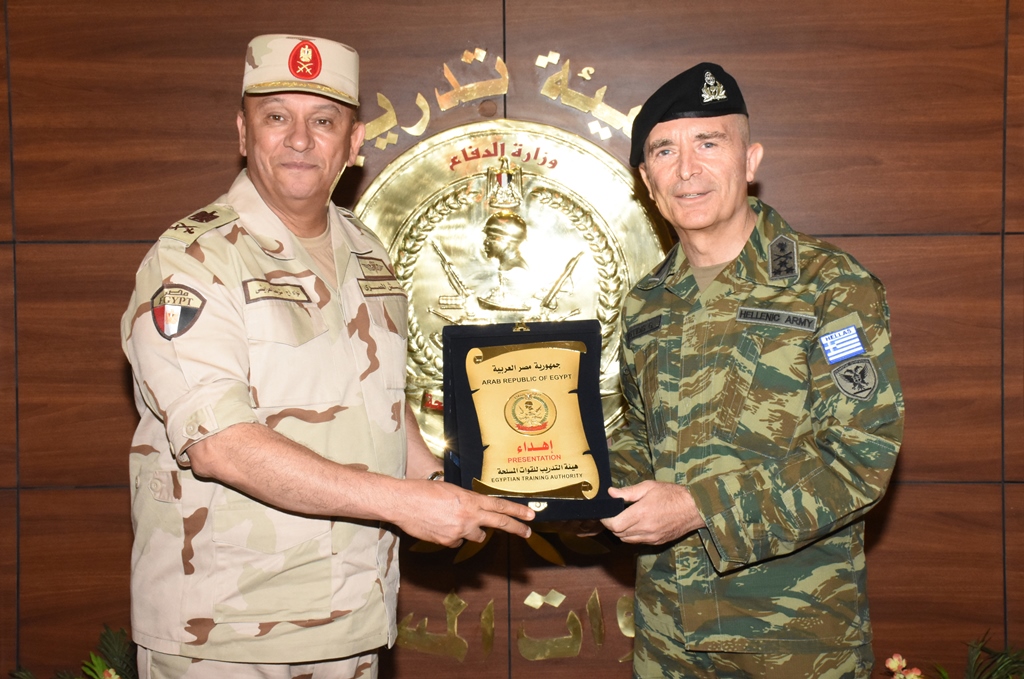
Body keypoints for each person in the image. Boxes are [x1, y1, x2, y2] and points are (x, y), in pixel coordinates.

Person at [121, 34, 534, 679]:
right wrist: (402, 504)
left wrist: (441, 487)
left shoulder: (369, 254)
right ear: (243, 133)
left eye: (323, 120)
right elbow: (220, 445)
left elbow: (381, 406)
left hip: (352, 617)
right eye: (276, 117)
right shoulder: (192, 260)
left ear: (354, 141)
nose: (298, 139)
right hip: (226, 631)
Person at [601, 63, 903, 678]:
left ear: (750, 160)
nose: (687, 169)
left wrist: (698, 507)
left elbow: (859, 456)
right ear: (647, 181)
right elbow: (641, 436)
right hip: (668, 640)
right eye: (665, 151)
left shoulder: (829, 286)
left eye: (709, 143)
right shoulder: (646, 304)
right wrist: (581, 487)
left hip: (795, 640)